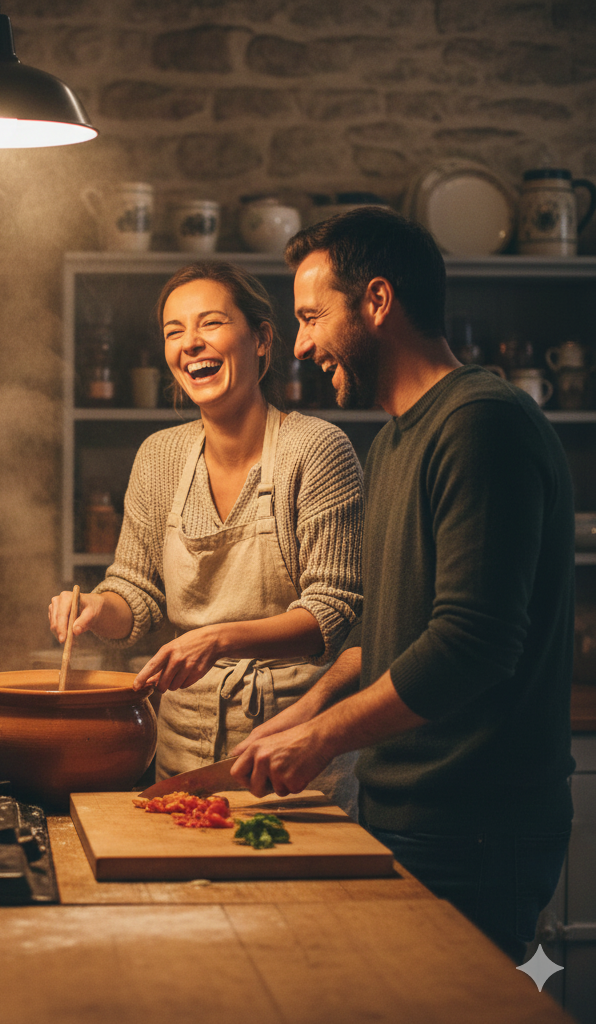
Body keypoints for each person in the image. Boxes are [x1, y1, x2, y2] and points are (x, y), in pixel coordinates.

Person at [229, 207, 575, 962]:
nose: (304, 344)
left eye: (313, 316)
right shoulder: (393, 442)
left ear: (377, 301)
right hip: (412, 811)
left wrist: (321, 741)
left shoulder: (482, 424)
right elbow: (392, 630)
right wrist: (305, 712)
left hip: (476, 824)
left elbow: (469, 644)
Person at [49, 261, 364, 816]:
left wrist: (217, 639)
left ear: (262, 340)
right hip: (182, 752)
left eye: (211, 323)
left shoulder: (315, 450)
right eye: (174, 332)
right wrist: (99, 605)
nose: (190, 343)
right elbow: (138, 596)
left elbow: (331, 613)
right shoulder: (159, 457)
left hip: (291, 753)